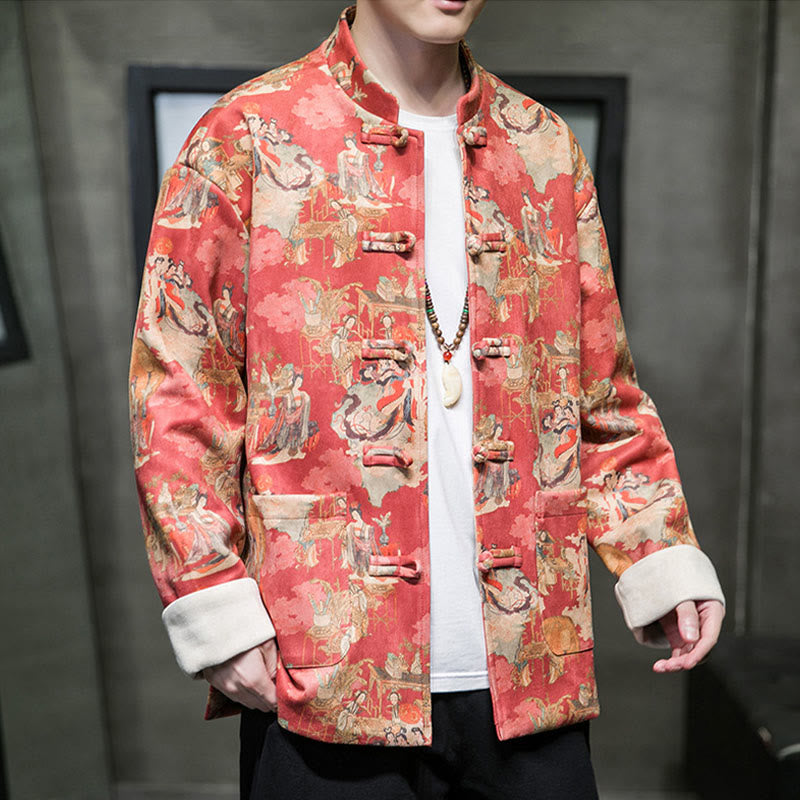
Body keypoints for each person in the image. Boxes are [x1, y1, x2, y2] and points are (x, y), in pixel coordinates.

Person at [129, 1, 726, 797]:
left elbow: (600, 394)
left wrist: (659, 552)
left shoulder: (542, 145)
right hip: (326, 675)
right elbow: (179, 395)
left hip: (529, 672)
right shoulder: (245, 136)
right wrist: (212, 596)